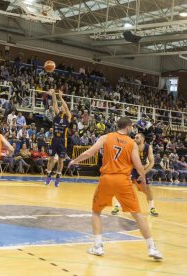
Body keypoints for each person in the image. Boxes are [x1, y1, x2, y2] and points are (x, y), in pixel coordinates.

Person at [68, 117, 162, 260]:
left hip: (106, 179)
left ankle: (98, 246)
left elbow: (89, 153)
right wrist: (142, 180)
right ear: (129, 127)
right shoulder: (132, 143)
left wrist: (74, 161)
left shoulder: (106, 137)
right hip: (124, 181)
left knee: (96, 212)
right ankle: (152, 248)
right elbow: (138, 165)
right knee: (137, 214)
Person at [112, 132, 159, 216]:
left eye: (137, 137)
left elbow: (152, 162)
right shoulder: (131, 146)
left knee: (147, 189)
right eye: (134, 137)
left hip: (141, 170)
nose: (134, 139)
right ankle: (117, 206)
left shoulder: (148, 147)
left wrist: (143, 173)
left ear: (143, 139)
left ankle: (152, 208)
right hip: (131, 169)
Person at [45, 88, 72, 187]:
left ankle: (58, 177)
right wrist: (53, 95)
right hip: (54, 139)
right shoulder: (56, 114)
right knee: (51, 158)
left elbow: (66, 108)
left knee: (61, 160)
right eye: (60, 107)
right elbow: (55, 104)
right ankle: (48, 176)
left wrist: (61, 97)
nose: (61, 107)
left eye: (62, 107)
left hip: (62, 141)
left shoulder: (68, 116)